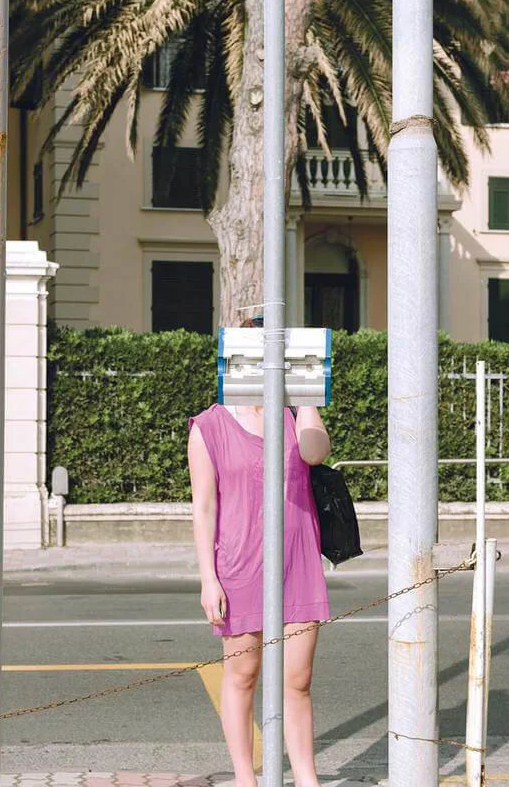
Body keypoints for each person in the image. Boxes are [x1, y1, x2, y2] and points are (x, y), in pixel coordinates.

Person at [187, 316, 332, 787]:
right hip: (239, 567)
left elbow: (315, 455)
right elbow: (204, 508)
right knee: (242, 676)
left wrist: (307, 399)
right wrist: (208, 579)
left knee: (297, 681)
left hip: (297, 561)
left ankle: (306, 778)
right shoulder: (208, 426)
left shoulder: (293, 416)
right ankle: (244, 778)